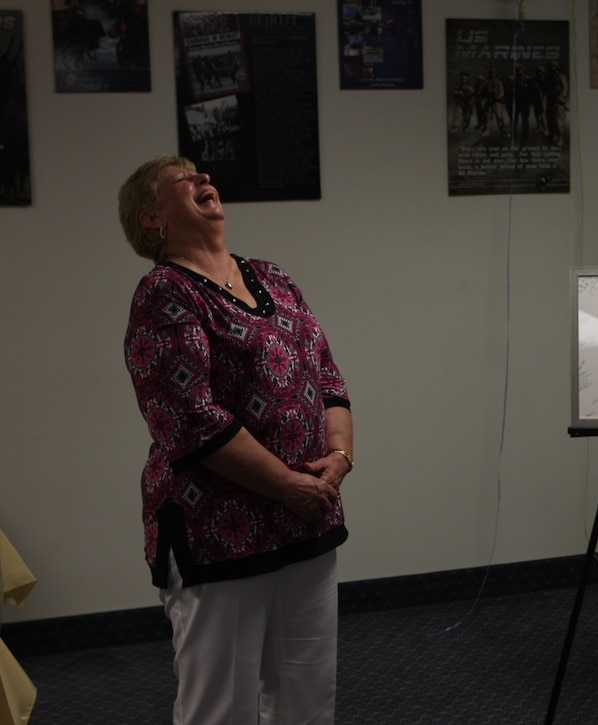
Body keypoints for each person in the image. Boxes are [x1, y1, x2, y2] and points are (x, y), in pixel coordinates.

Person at [119, 155, 354, 725]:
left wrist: (339, 458)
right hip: (217, 534)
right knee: (220, 709)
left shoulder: (273, 277)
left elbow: (326, 376)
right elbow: (191, 420)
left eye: (203, 174)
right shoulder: (164, 295)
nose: (204, 180)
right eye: (184, 179)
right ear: (153, 218)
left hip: (306, 521)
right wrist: (287, 486)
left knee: (308, 697)